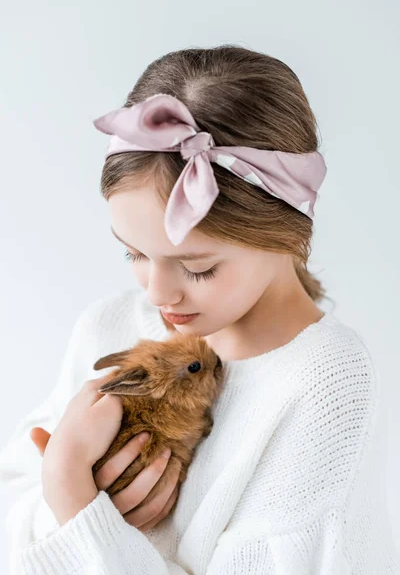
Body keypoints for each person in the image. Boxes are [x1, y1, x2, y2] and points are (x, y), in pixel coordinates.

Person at [0, 45, 398, 574]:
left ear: (280, 231)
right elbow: (12, 506)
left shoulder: (322, 385)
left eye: (198, 267)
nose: (157, 294)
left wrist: (74, 499)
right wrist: (63, 499)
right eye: (134, 252)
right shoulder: (112, 326)